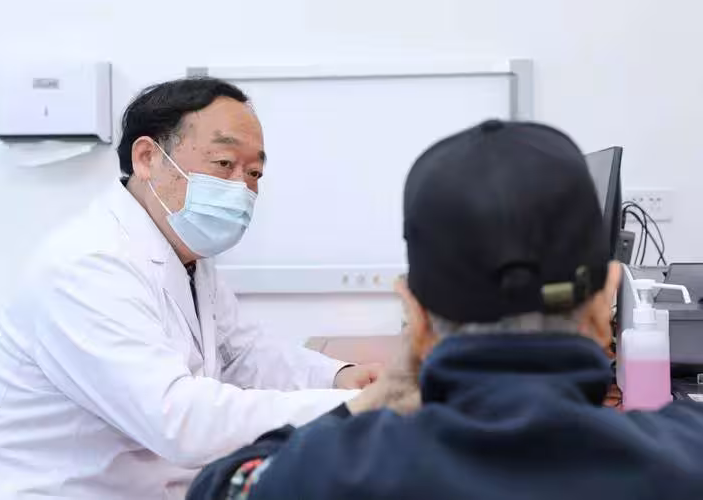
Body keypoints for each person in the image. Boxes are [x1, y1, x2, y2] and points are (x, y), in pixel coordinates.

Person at [187, 120, 703, 500]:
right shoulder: (687, 457)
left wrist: (371, 402)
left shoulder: (321, 474)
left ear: (415, 315)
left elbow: (221, 484)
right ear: (606, 300)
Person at [0, 77, 381, 500]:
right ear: (147, 158)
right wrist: (349, 407)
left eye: (254, 173)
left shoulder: (187, 254)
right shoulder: (85, 265)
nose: (242, 188)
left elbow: (243, 354)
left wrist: (337, 377)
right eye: (223, 163)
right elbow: (177, 419)